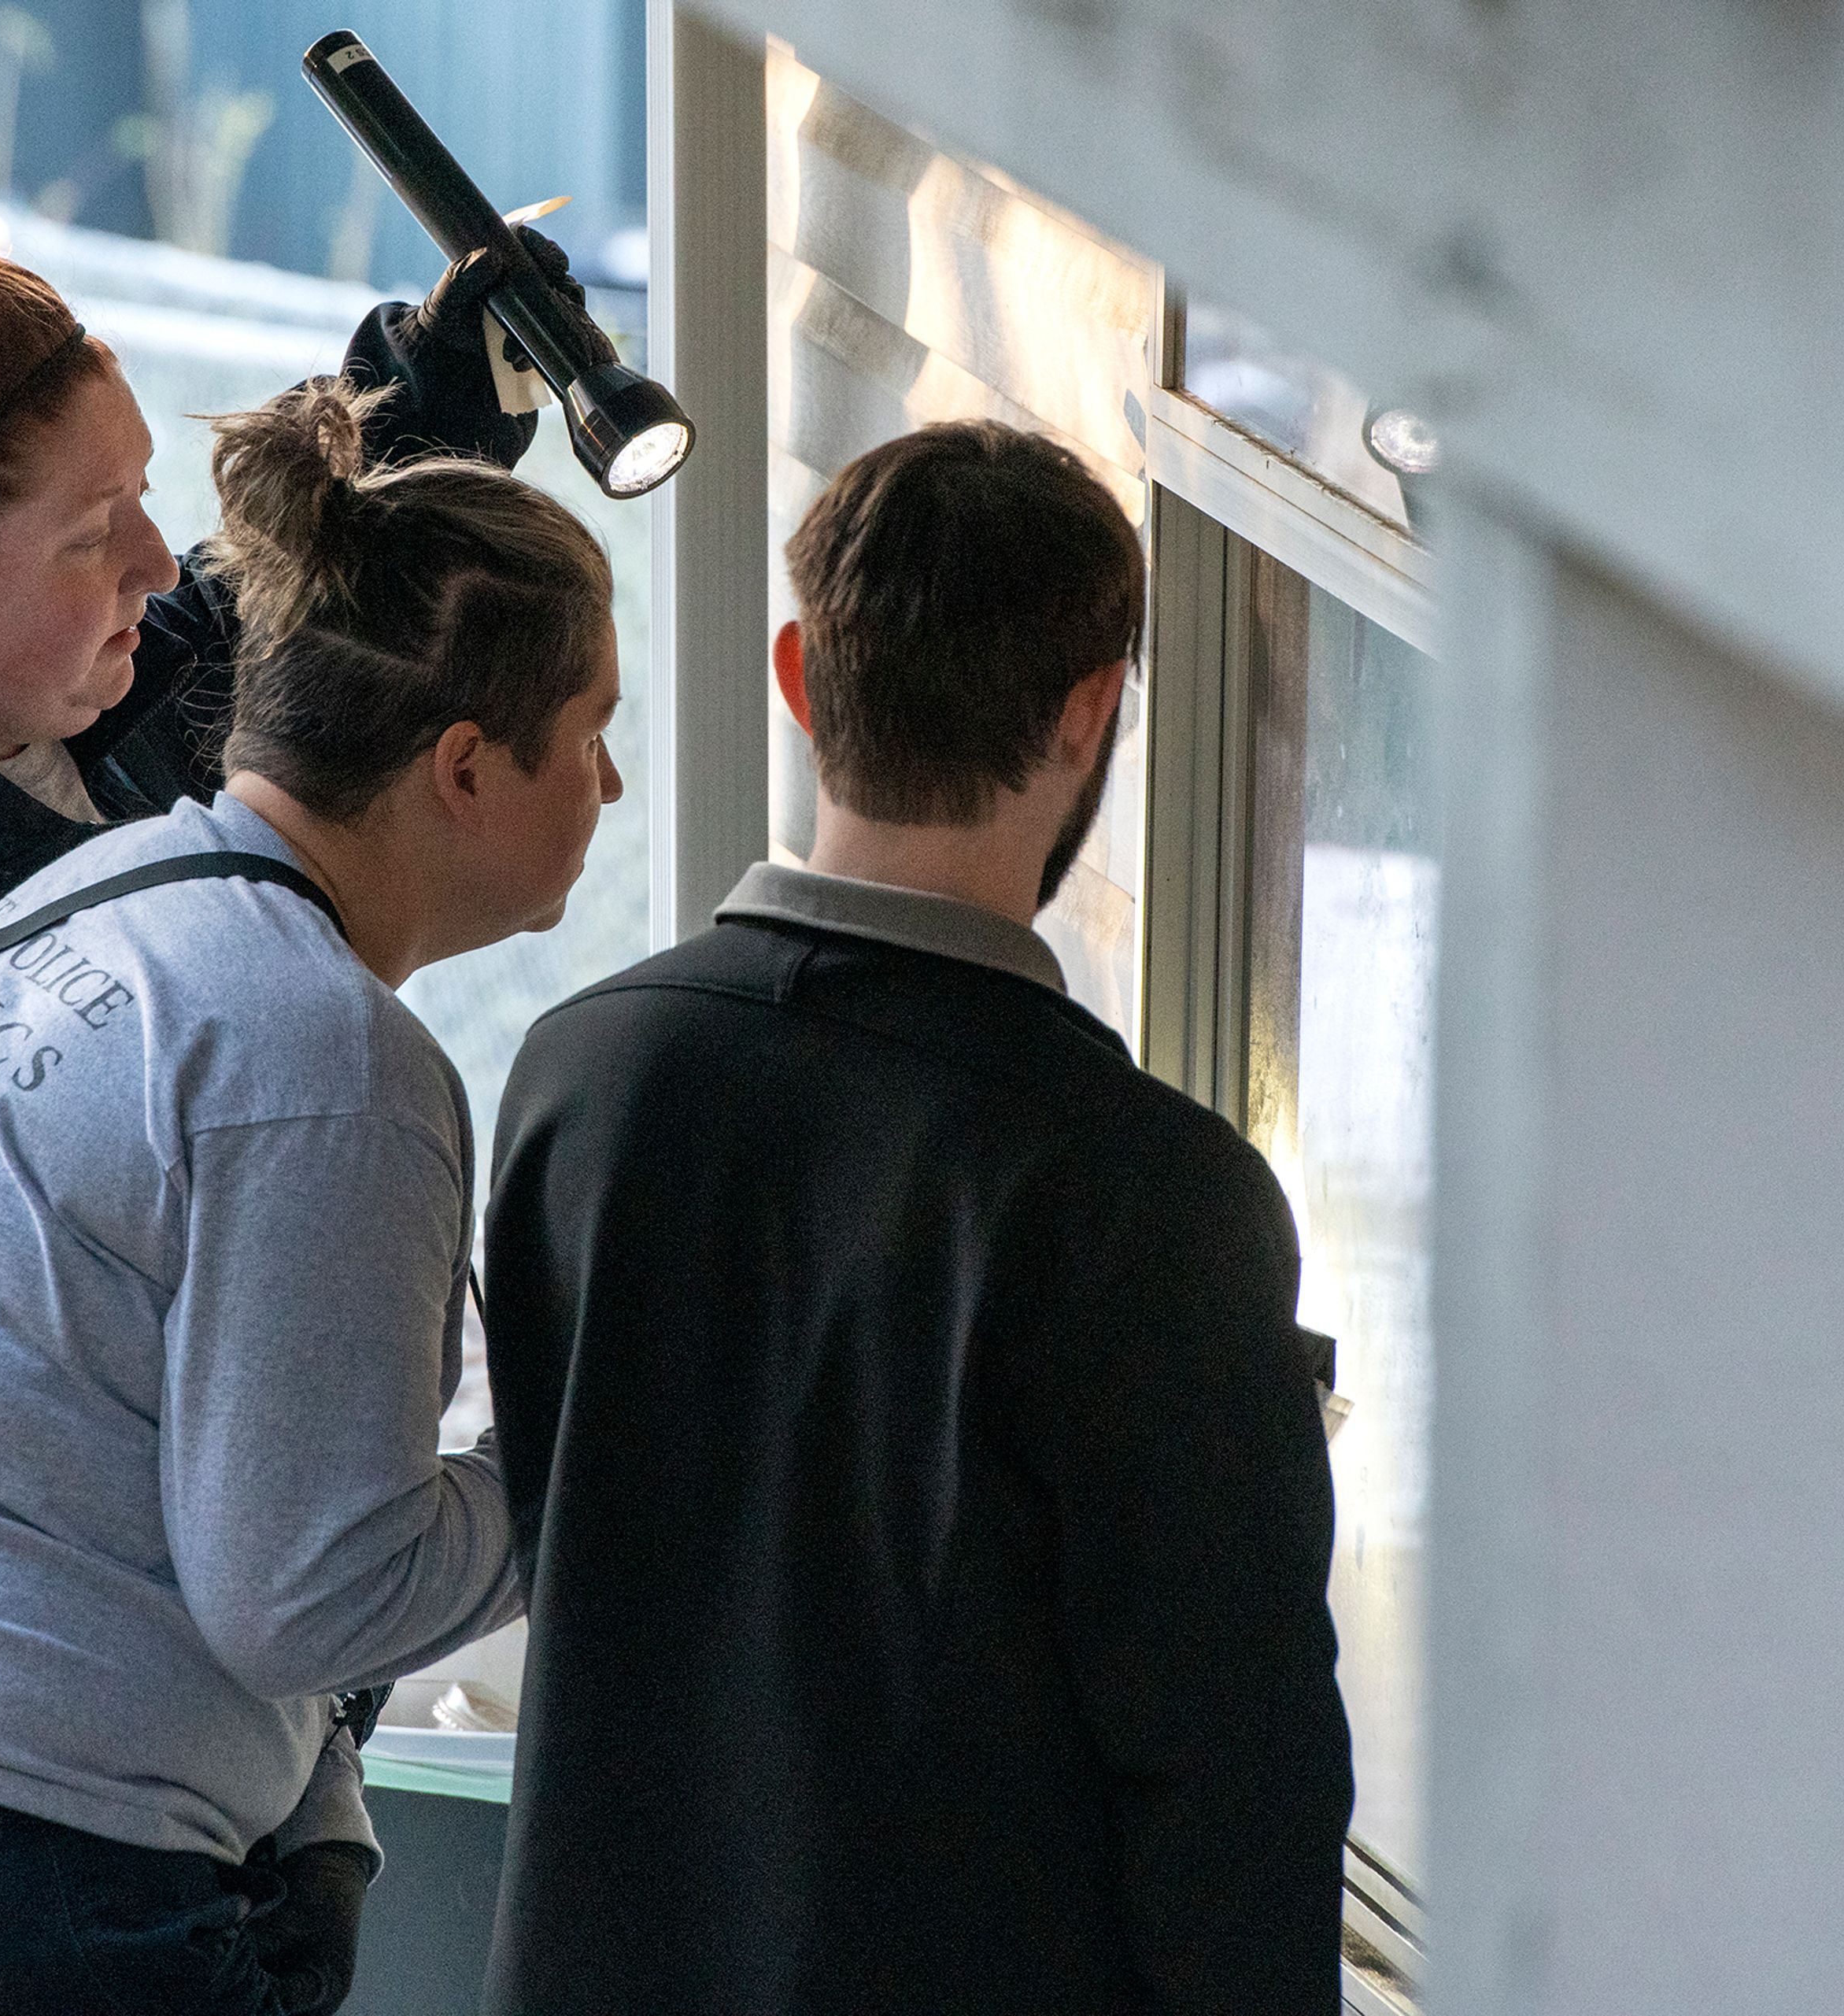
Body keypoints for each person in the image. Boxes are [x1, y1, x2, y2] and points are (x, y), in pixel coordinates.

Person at [482, 420, 1354, 2014]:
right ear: (1092, 711)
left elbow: (564, 1543)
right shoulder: (1147, 1194)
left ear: (801, 673)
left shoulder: (586, 1076)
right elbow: (1234, 1781)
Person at [0, 378, 624, 2016]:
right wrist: (596, 1455)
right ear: (463, 765)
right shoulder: (317, 1049)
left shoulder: (109, 894)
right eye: (587, 736)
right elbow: (318, 1584)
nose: (606, 788)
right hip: (1, 1883)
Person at [0, 180, 609, 1153]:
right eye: (93, 535)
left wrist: (426, 392)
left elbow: (231, 605)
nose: (158, 562)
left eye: (141, 491)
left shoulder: (63, 684)